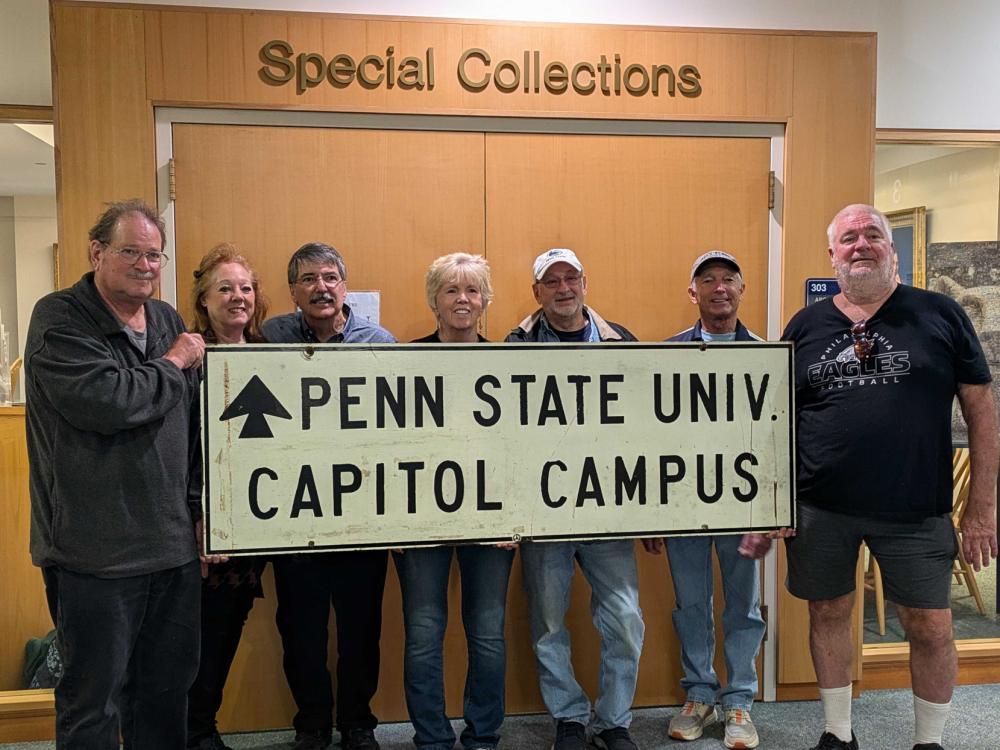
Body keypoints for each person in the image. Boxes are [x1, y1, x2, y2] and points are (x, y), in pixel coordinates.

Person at [781, 204, 999, 750]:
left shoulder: (940, 314)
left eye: (872, 235)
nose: (861, 244)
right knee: (828, 612)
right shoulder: (805, 326)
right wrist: (774, 503)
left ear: (891, 249)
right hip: (819, 506)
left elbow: (981, 412)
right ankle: (837, 733)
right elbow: (778, 422)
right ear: (832, 254)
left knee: (930, 626)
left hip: (915, 508)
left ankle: (929, 741)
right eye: (848, 238)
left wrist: (981, 508)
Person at [24, 199, 206, 748]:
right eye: (132, 252)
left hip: (172, 549)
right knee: (92, 704)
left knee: (165, 693)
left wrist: (200, 514)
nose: (146, 265)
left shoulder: (167, 319)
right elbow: (109, 403)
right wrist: (174, 361)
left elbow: (193, 428)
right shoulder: (59, 318)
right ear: (96, 252)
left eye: (155, 255)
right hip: (93, 555)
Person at [506, 248, 645, 750]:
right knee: (547, 621)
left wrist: (653, 508)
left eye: (571, 278)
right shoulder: (514, 345)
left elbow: (646, 428)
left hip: (608, 509)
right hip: (545, 514)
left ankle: (614, 721)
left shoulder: (620, 340)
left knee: (626, 619)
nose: (563, 288)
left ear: (585, 283)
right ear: (536, 292)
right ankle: (568, 717)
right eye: (551, 281)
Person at [262, 241, 396, 750]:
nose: (321, 287)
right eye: (309, 279)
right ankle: (312, 724)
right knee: (301, 631)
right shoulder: (269, 337)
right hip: (296, 511)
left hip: (361, 513)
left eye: (330, 277)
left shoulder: (379, 342)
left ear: (344, 284)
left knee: (361, 629)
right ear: (293, 291)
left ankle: (358, 723)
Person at [642, 251, 769, 750]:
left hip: (743, 504)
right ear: (692, 293)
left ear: (742, 290)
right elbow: (649, 437)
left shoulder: (765, 353)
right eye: (708, 280)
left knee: (744, 605)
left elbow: (774, 436)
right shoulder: (667, 354)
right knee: (690, 603)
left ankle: (739, 700)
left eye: (729, 280)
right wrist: (652, 511)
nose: (720, 288)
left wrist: (773, 512)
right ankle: (698, 694)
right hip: (683, 504)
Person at [394, 252, 516, 750]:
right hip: (420, 521)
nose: (462, 300)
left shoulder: (507, 365)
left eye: (472, 290)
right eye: (451, 290)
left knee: (487, 632)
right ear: (434, 301)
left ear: (485, 301)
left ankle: (483, 733)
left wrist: (517, 517)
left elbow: (520, 447)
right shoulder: (403, 363)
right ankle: (432, 737)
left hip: (491, 522)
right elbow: (387, 446)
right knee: (424, 632)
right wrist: (393, 524)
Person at [186, 243, 270, 750]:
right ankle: (195, 732)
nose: (238, 297)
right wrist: (200, 518)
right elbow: (180, 452)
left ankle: (203, 727)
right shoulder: (188, 356)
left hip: (254, 521)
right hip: (203, 524)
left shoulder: (269, 353)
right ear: (204, 300)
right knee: (198, 635)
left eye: (246, 288)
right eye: (225, 288)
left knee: (228, 625)